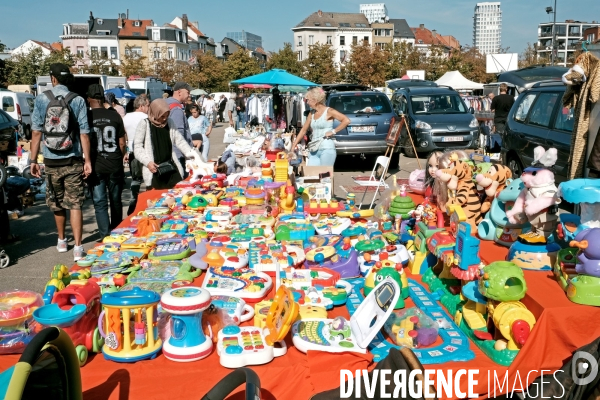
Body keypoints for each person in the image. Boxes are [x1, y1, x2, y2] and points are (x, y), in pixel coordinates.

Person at [29, 63, 92, 261]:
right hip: (72, 159)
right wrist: (87, 160)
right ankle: (78, 248)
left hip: (50, 159)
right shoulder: (78, 100)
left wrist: (33, 160)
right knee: (75, 203)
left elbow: (37, 131)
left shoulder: (42, 99)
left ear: (53, 78)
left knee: (56, 201)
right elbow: (84, 133)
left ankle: (62, 240)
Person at [133, 99, 202, 190]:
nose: (164, 119)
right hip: (154, 170)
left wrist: (192, 155)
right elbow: (137, 147)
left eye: (167, 116)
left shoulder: (169, 122)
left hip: (171, 168)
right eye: (162, 116)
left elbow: (180, 141)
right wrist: (147, 162)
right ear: (155, 112)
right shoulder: (144, 124)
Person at [87, 84, 126, 240]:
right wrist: (120, 156)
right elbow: (122, 142)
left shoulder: (87, 117)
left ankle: (105, 235)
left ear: (89, 99)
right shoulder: (115, 115)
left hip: (96, 164)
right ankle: (117, 231)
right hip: (114, 162)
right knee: (115, 199)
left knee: (100, 201)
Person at [292, 87, 350, 167]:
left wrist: (333, 131)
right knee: (311, 176)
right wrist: (293, 146)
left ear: (315, 100)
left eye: (308, 100)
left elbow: (346, 120)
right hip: (313, 149)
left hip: (327, 149)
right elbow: (303, 130)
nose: (307, 102)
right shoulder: (311, 113)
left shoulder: (329, 111)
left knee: (325, 177)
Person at [122, 94, 149, 215]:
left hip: (132, 151)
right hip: (145, 151)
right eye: (147, 105)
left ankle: (133, 201)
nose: (148, 108)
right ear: (142, 106)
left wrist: (126, 152)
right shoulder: (146, 117)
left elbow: (124, 135)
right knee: (148, 179)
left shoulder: (126, 117)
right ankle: (148, 202)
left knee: (135, 179)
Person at [166, 82, 194, 178]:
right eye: (187, 92)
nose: (189, 95)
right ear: (179, 92)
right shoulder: (176, 109)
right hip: (178, 155)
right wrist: (187, 154)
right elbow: (179, 135)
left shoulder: (166, 103)